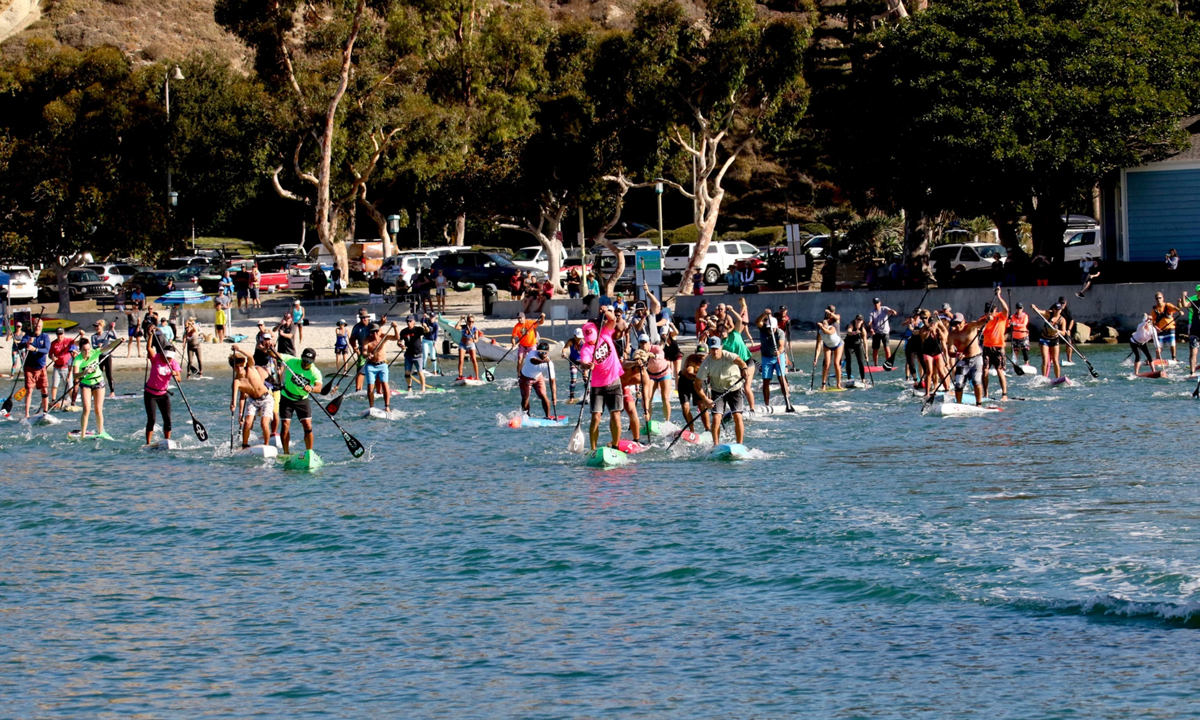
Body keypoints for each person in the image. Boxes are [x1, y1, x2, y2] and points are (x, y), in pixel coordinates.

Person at [579, 305, 625, 451]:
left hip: (614, 381)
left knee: (615, 416)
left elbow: (613, 320)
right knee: (596, 417)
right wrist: (587, 366)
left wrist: (606, 311)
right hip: (597, 386)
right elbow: (583, 363)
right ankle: (593, 450)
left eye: (593, 338)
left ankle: (616, 447)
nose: (592, 341)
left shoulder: (604, 333)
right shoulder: (585, 348)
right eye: (589, 339)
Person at [694, 336, 751, 445]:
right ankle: (716, 445)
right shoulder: (706, 363)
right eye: (712, 349)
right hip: (718, 391)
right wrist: (705, 399)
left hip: (735, 388)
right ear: (709, 349)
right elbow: (697, 384)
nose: (715, 351)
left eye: (717, 348)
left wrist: (744, 369)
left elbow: (741, 362)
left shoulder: (728, 355)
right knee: (716, 418)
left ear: (721, 347)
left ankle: (740, 445)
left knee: (737, 416)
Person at [274, 348, 323, 456]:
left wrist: (311, 388)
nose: (306, 363)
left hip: (302, 400)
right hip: (287, 397)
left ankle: (309, 453)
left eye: (309, 361)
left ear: (313, 361)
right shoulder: (292, 361)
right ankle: (286, 453)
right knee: (285, 425)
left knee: (307, 425)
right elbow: (276, 354)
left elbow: (319, 387)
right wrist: (269, 346)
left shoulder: (315, 372)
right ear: (301, 358)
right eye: (305, 360)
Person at [230, 345, 274, 448]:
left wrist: (239, 348)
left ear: (244, 364)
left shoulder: (250, 367)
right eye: (236, 367)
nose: (239, 368)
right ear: (233, 368)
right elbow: (236, 398)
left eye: (241, 365)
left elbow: (249, 356)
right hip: (253, 401)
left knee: (264, 424)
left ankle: (266, 445)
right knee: (247, 423)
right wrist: (234, 407)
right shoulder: (237, 382)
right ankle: (245, 445)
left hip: (266, 398)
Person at [144, 332, 181, 446]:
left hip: (163, 394)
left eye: (170, 358)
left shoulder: (173, 363)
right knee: (152, 420)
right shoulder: (156, 358)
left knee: (168, 420)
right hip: (150, 394)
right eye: (167, 358)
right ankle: (148, 443)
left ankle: (167, 441)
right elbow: (149, 348)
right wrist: (150, 335)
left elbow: (179, 379)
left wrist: (175, 373)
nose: (168, 360)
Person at [944, 312, 988, 406]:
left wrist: (988, 319)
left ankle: (979, 404)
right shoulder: (952, 335)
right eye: (955, 323)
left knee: (977, 382)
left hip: (976, 359)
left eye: (959, 323)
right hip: (962, 361)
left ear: (964, 321)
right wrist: (956, 354)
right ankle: (958, 405)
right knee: (958, 385)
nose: (957, 325)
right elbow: (950, 352)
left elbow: (980, 323)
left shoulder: (971, 326)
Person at [71, 336, 109, 437]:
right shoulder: (77, 360)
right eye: (84, 350)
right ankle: (83, 435)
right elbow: (75, 375)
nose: (87, 352)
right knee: (86, 409)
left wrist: (119, 341)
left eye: (88, 349)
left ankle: (100, 432)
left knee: (98, 409)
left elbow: (108, 347)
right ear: (80, 350)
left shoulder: (94, 352)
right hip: (86, 384)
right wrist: (85, 371)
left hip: (98, 382)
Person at [756, 309, 792, 410]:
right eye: (768, 328)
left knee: (781, 378)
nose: (769, 330)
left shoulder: (780, 332)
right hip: (767, 357)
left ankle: (787, 401)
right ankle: (767, 404)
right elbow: (757, 322)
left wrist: (779, 352)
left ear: (776, 327)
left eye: (771, 328)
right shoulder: (763, 328)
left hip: (778, 357)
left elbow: (781, 345)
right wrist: (764, 314)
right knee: (766, 381)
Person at [360, 322, 398, 410]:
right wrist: (367, 355)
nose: (374, 334)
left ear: (379, 331)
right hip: (371, 366)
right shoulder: (367, 340)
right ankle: (371, 407)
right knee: (370, 388)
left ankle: (387, 406)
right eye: (372, 332)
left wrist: (395, 327)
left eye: (376, 331)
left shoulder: (383, 337)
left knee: (385, 385)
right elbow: (364, 352)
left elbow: (396, 338)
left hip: (382, 365)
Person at [980, 289, 1010, 401]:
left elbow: (1006, 309)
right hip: (987, 347)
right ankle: (986, 394)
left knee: (999, 371)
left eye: (991, 311)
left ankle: (1004, 395)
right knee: (985, 371)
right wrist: (985, 322)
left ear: (995, 310)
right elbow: (977, 329)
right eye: (987, 311)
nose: (988, 313)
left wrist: (999, 296)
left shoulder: (1001, 316)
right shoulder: (983, 319)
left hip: (998, 348)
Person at [19, 317, 51, 418]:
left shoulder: (45, 337)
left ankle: (45, 412)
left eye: (40, 327)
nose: (38, 328)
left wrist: (35, 349)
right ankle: (27, 414)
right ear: (33, 326)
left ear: (42, 327)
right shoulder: (28, 335)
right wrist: (27, 343)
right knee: (29, 391)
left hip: (41, 367)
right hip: (29, 367)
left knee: (45, 390)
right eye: (36, 327)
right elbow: (19, 346)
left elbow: (46, 350)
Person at [638, 333, 673, 423]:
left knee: (665, 397)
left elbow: (661, 355)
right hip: (651, 375)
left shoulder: (656, 348)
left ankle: (667, 421)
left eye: (645, 343)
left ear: (649, 343)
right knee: (647, 398)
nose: (643, 345)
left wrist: (652, 355)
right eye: (641, 343)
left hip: (664, 373)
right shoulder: (639, 353)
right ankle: (648, 421)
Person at [677, 343, 711, 435]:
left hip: (698, 383)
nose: (700, 356)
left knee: (702, 405)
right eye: (699, 354)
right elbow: (689, 373)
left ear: (707, 354)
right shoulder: (692, 359)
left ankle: (707, 429)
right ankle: (692, 430)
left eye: (703, 355)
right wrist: (703, 376)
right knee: (685, 407)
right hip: (685, 382)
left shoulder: (710, 360)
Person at [519, 339, 557, 418]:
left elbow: (552, 381)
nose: (543, 355)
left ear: (548, 352)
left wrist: (554, 396)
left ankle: (547, 416)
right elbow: (533, 361)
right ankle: (526, 417)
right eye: (540, 352)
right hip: (526, 377)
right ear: (537, 351)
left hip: (538, 377)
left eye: (545, 353)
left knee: (543, 395)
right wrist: (542, 361)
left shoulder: (550, 364)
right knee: (525, 398)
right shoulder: (532, 353)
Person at [1030, 303, 1067, 379]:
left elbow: (1063, 332)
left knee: (1055, 360)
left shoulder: (1062, 320)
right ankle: (1044, 378)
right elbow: (1038, 311)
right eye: (1056, 309)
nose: (1057, 311)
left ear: (1061, 310)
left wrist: (1058, 331)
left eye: (1058, 310)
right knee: (1045, 359)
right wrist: (1034, 307)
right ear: (1053, 309)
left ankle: (1057, 378)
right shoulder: (1048, 314)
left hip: (1054, 339)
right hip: (1045, 339)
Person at [398, 315, 427, 393]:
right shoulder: (403, 331)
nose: (408, 323)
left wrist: (425, 326)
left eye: (410, 321)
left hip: (418, 355)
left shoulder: (418, 329)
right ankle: (409, 387)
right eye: (407, 321)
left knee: (420, 372)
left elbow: (427, 331)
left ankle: (423, 388)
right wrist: (401, 346)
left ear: (414, 322)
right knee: (407, 372)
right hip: (408, 355)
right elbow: (399, 341)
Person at [817, 310, 844, 390]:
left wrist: (822, 326)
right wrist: (816, 359)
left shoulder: (832, 327)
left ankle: (838, 384)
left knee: (836, 363)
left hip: (838, 344)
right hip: (827, 345)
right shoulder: (820, 332)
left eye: (825, 325)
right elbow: (818, 346)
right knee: (827, 364)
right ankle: (823, 385)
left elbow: (828, 332)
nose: (824, 326)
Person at [49, 328, 75, 407]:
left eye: (61, 334)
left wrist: (82, 335)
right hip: (57, 367)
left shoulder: (69, 340)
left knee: (69, 386)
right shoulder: (53, 343)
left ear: (64, 333)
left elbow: (77, 343)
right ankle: (53, 400)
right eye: (58, 334)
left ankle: (73, 402)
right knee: (54, 384)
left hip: (66, 367)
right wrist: (52, 358)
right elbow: (50, 354)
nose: (60, 336)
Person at [1151, 292, 1180, 362]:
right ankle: (1158, 358)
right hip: (1160, 330)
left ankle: (1173, 357)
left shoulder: (1167, 305)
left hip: (1170, 328)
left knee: (1172, 344)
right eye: (1157, 298)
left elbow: (1175, 308)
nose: (1158, 300)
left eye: (1160, 298)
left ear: (1163, 298)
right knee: (1158, 346)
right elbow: (1152, 322)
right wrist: (1157, 328)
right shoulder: (1154, 310)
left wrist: (1179, 311)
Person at [868, 298, 897, 366]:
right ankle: (875, 364)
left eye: (877, 303)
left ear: (880, 303)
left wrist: (893, 311)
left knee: (886, 348)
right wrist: (871, 329)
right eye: (875, 303)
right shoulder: (872, 312)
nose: (876, 304)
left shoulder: (884, 309)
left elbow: (890, 311)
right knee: (875, 349)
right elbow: (870, 322)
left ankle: (888, 363)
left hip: (885, 332)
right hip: (876, 333)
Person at [349, 309, 373, 391]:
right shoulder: (357, 327)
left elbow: (382, 323)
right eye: (362, 318)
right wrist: (355, 348)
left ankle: (378, 389)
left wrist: (384, 321)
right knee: (360, 371)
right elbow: (351, 339)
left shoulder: (372, 325)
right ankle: (358, 390)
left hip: (373, 350)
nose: (363, 319)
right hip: (362, 350)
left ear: (368, 318)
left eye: (365, 317)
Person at [457, 315, 485, 379]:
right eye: (469, 321)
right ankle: (460, 376)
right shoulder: (463, 327)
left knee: (474, 360)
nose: (471, 323)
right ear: (467, 322)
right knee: (461, 360)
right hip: (463, 345)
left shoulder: (475, 329)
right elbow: (456, 327)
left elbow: (477, 339)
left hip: (471, 345)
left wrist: (474, 340)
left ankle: (477, 377)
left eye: (472, 322)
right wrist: (461, 319)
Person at [843, 314, 869, 383]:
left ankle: (863, 379)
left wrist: (866, 354)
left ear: (862, 321)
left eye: (860, 320)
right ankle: (849, 378)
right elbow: (848, 332)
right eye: (857, 320)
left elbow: (865, 343)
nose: (858, 321)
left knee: (860, 361)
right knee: (849, 360)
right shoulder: (851, 324)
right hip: (848, 344)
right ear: (855, 320)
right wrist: (854, 332)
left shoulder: (863, 329)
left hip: (857, 344)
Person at [562, 328, 584, 403]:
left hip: (582, 361)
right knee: (573, 380)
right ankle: (571, 397)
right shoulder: (571, 341)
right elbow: (565, 348)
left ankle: (588, 395)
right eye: (578, 337)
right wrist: (564, 353)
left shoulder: (583, 342)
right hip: (573, 361)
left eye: (580, 337)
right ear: (574, 336)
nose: (579, 339)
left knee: (586, 378)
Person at [1010, 302, 1031, 367]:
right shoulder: (1013, 316)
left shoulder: (1025, 316)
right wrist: (1009, 320)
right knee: (1015, 351)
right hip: (1015, 336)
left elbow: (1024, 324)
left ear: (1022, 309)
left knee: (1024, 350)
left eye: (1020, 308)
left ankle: (1026, 363)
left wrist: (1016, 324)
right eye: (1018, 308)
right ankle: (1014, 364)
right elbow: (1009, 323)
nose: (1019, 310)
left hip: (1023, 335)